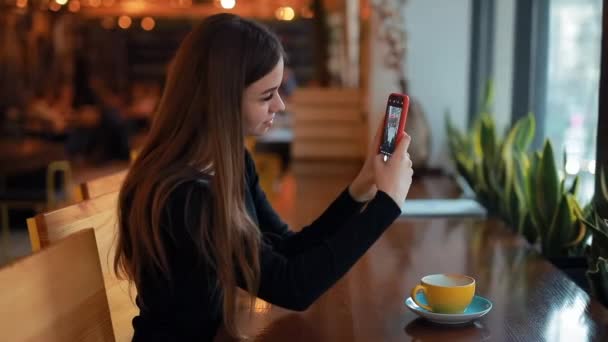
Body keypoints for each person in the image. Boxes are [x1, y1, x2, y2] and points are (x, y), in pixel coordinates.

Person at [114, 13, 414, 341]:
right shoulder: (184, 197)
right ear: (222, 99)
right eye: (266, 95)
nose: (281, 105)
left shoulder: (232, 164)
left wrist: (362, 187)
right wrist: (386, 206)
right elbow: (292, 287)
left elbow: (285, 249)